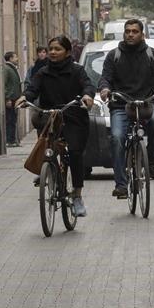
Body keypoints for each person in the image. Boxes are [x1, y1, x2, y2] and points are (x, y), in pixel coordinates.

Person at [19, 35, 96, 217]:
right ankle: (48, 169)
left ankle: (77, 196)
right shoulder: (43, 72)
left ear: (67, 52)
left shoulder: (77, 71)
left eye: (57, 49)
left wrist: (87, 96)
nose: (53, 52)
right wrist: (25, 97)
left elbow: (87, 86)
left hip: (74, 118)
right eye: (51, 49)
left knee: (75, 153)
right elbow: (32, 89)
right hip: (51, 118)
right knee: (46, 148)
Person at [97, 19, 154, 198]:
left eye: (134, 31)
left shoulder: (151, 54)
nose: (130, 34)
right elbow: (105, 77)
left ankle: (151, 160)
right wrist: (105, 89)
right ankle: (121, 184)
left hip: (146, 103)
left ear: (142, 34)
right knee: (116, 137)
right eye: (127, 31)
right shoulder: (114, 55)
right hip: (121, 105)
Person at [2, 51, 22, 147]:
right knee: (10, 120)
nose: (17, 59)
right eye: (15, 57)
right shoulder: (7, 69)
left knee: (13, 120)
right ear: (10, 58)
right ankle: (10, 141)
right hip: (11, 99)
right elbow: (4, 84)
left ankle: (12, 140)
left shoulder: (12, 68)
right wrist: (7, 98)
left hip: (15, 99)